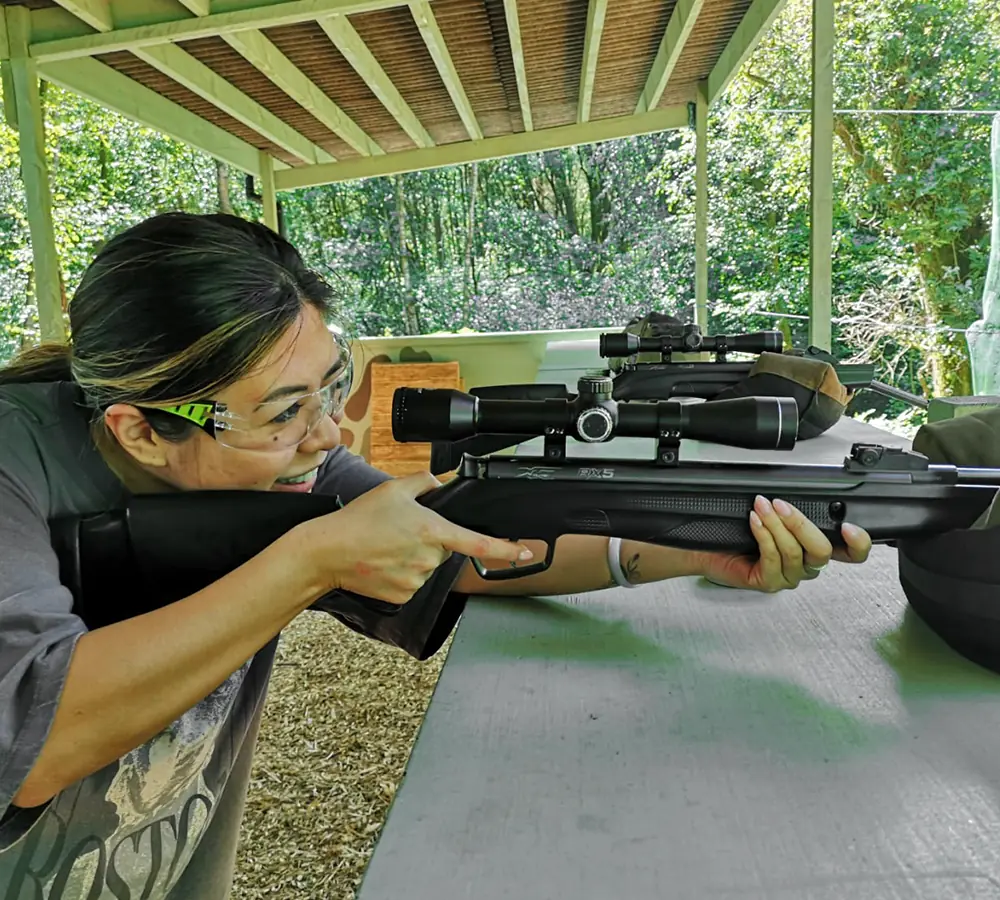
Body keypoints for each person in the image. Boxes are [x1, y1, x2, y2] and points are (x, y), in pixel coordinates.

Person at [0, 212, 871, 899]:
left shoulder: (287, 472)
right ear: (139, 432)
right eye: (284, 413)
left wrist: (693, 546)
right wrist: (310, 561)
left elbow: (462, 542)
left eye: (332, 385)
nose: (328, 434)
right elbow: (31, 739)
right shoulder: (14, 467)